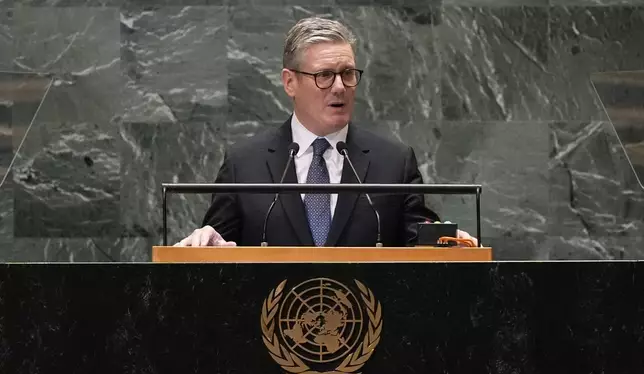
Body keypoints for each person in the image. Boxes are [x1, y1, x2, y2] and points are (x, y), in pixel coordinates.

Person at [176, 17, 477, 247]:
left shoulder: (394, 163)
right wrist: (207, 241)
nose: (339, 87)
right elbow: (217, 249)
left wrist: (445, 241)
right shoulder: (244, 165)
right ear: (290, 82)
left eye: (347, 73)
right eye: (324, 75)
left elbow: (419, 240)